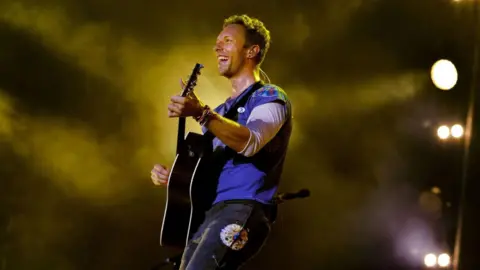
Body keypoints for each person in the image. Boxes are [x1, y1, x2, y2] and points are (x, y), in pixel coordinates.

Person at [151, 14, 292, 270]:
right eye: (218, 41)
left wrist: (201, 113)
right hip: (212, 213)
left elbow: (251, 142)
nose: (217, 47)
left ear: (252, 51)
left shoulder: (270, 95)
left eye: (227, 41)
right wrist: (175, 176)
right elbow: (207, 168)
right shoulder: (221, 111)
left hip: (244, 207)